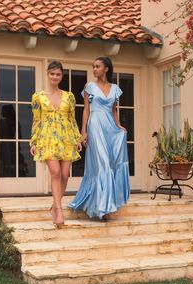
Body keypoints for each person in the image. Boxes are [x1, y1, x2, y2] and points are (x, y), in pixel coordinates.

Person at [69, 56, 130, 220]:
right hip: (95, 125)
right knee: (103, 164)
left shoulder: (115, 88)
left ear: (106, 69)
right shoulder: (89, 86)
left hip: (110, 127)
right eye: (93, 66)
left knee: (110, 163)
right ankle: (104, 207)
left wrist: (119, 126)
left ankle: (107, 204)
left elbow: (114, 110)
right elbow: (86, 110)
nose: (94, 69)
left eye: (97, 66)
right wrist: (84, 131)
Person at [30, 60, 82, 225]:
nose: (55, 76)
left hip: (66, 138)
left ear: (62, 76)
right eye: (52, 73)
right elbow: (36, 120)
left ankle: (54, 205)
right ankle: (59, 210)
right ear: (48, 74)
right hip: (47, 139)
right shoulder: (38, 97)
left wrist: (77, 138)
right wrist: (33, 141)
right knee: (56, 173)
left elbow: (72, 119)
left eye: (58, 74)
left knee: (65, 175)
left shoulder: (69, 96)